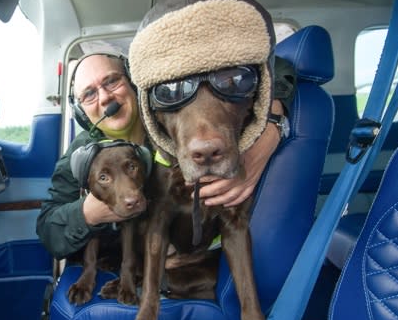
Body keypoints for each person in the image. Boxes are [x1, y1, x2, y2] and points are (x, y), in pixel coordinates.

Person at [36, 51, 295, 260]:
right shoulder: (81, 156)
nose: (105, 98)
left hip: (193, 255)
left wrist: (272, 122)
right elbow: (49, 231)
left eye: (112, 81)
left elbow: (276, 64)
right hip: (122, 266)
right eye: (89, 94)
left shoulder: (177, 111)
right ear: (81, 111)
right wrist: (87, 214)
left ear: (134, 83)